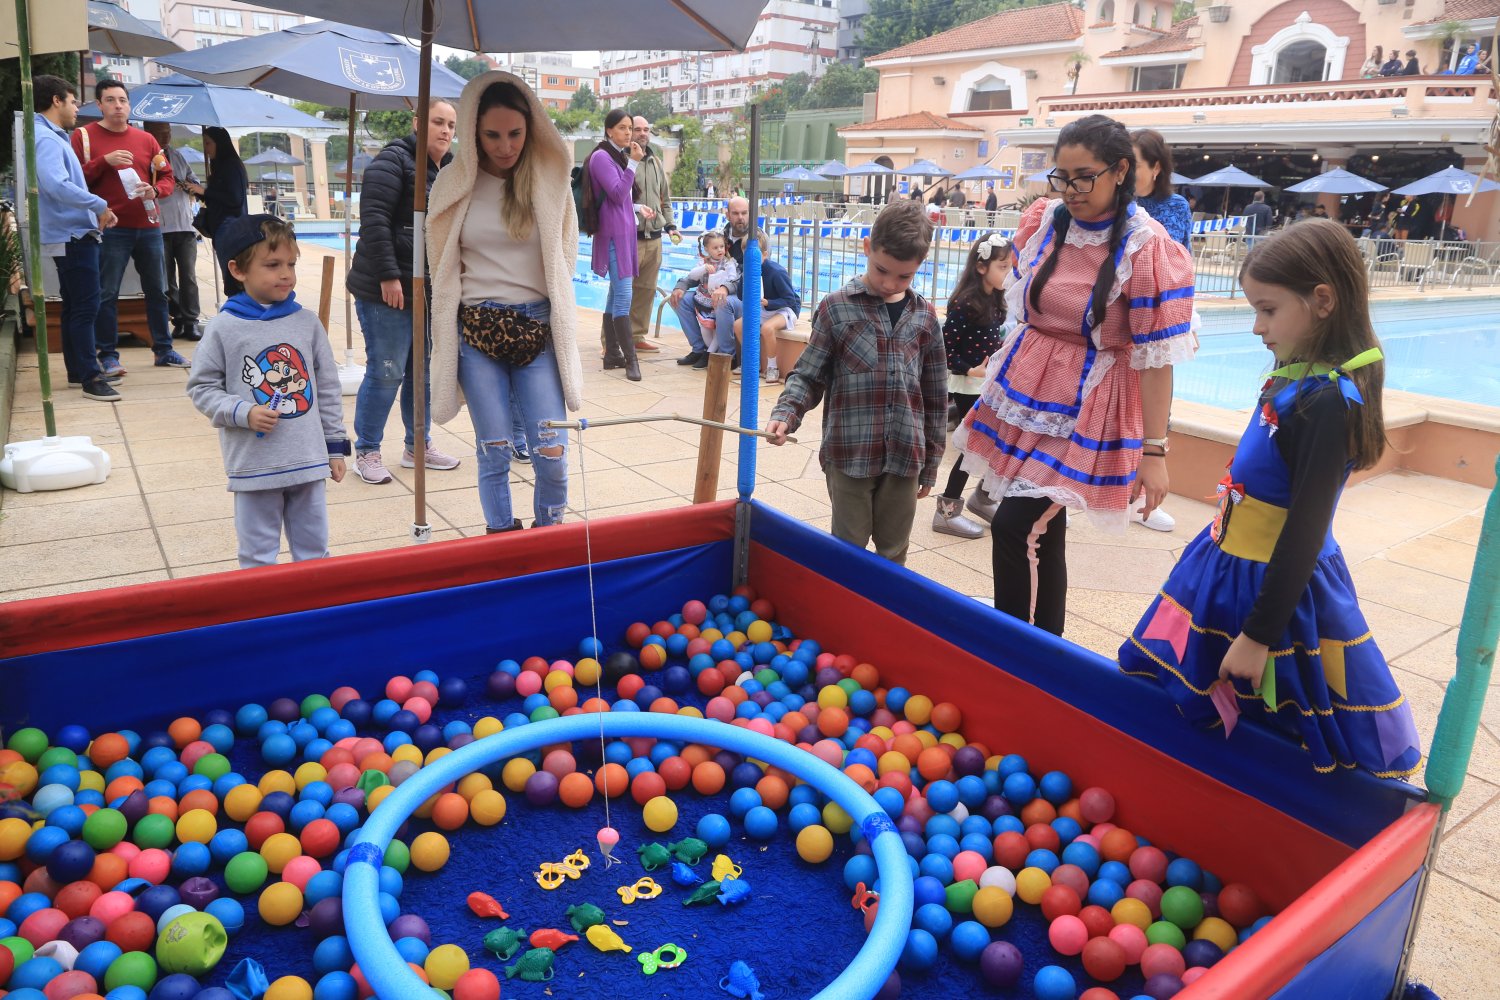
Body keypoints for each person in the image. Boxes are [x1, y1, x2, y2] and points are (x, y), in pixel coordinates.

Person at [1118, 220, 1420, 779]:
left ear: (1322, 301)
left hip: (1275, 590)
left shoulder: (1328, 402)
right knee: (1201, 692)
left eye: (1268, 310)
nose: (1257, 326)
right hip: (1225, 566)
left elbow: (1305, 531)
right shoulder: (1294, 377)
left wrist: (1258, 636)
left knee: (1282, 717)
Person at [952, 114, 1196, 636]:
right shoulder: (1046, 219)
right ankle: (1045, 646)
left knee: (1016, 526)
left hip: (1091, 402)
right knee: (1042, 528)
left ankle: (1019, 650)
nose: (1070, 190)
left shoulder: (1146, 246)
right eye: (1062, 177)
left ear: (1120, 171)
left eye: (1084, 177)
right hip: (1032, 388)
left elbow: (1157, 358)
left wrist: (1154, 452)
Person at [427, 72, 584, 534]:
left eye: (515, 133)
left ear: (530, 129)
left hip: (538, 327)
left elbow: (566, 254)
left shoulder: (549, 182)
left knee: (551, 452)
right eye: (492, 135)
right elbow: (441, 261)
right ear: (474, 132)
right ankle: (500, 538)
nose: (505, 146)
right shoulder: (454, 184)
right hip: (476, 330)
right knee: (493, 450)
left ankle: (548, 537)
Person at [765, 200, 948, 566]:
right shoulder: (836, 308)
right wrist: (786, 413)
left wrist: (931, 462)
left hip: (905, 456)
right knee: (848, 551)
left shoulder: (926, 317)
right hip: (849, 455)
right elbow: (808, 374)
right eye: (882, 270)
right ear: (867, 247)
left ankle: (884, 604)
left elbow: (935, 396)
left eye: (904, 277)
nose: (889, 283)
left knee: (893, 553)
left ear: (920, 265)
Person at [186, 215, 349, 569]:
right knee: (257, 557)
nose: (286, 274)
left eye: (291, 264)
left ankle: (314, 603)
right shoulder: (223, 328)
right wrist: (242, 412)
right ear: (238, 270)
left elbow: (327, 388)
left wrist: (335, 447)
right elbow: (201, 388)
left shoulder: (307, 323)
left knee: (314, 553)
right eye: (273, 265)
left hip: (308, 462)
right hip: (254, 466)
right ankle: (261, 607)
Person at [346, 98, 462, 486]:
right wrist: (388, 275)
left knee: (422, 374)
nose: (445, 131)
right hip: (387, 289)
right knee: (387, 371)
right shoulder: (392, 161)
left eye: (451, 125)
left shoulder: (449, 169)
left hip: (427, 291)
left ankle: (418, 446)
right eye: (437, 122)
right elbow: (374, 220)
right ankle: (367, 450)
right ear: (417, 123)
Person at [73, 79, 191, 375]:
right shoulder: (83, 136)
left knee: (158, 290)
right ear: (99, 105)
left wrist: (156, 190)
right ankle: (108, 354)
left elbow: (166, 176)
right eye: (110, 100)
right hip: (110, 226)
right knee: (107, 293)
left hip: (148, 225)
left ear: (129, 105)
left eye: (122, 100)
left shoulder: (146, 140)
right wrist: (104, 161)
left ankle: (164, 349)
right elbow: (74, 180)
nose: (118, 106)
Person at [33, 74, 120, 402]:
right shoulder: (46, 138)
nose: (75, 109)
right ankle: (90, 377)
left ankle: (77, 371)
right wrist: (98, 204)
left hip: (71, 232)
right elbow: (56, 185)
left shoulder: (50, 136)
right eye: (72, 102)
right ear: (56, 101)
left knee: (75, 306)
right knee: (85, 307)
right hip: (71, 234)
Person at [931, 233, 1008, 540]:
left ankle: (983, 498)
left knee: (995, 442)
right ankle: (947, 513)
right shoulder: (965, 303)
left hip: (986, 384)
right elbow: (945, 349)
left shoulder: (995, 300)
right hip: (967, 386)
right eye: (1002, 266)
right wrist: (970, 369)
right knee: (972, 447)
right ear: (981, 267)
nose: (1007, 273)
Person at [581, 108, 644, 381]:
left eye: (630, 128)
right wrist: (634, 163)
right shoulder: (601, 157)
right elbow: (617, 194)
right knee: (624, 295)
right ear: (609, 130)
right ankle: (631, 361)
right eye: (622, 128)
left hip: (624, 233)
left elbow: (622, 200)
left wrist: (638, 209)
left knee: (614, 293)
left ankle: (612, 355)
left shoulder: (616, 155)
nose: (628, 133)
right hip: (614, 235)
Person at [670, 197, 750, 369]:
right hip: (712, 292)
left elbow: (750, 275)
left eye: (744, 213)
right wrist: (682, 285)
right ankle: (699, 349)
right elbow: (702, 269)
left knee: (722, 301)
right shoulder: (719, 236)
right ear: (727, 215)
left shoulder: (755, 239)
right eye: (736, 213)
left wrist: (726, 288)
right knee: (680, 299)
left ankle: (726, 356)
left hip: (742, 296)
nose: (740, 217)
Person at [143, 122, 203, 342]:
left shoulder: (177, 156)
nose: (166, 137)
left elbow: (194, 180)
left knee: (189, 276)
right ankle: (178, 318)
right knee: (166, 279)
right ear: (150, 134)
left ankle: (191, 321)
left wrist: (189, 184)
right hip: (159, 225)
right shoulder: (145, 156)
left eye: (168, 133)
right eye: (161, 133)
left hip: (184, 225)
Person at [626, 115, 678, 358]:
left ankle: (637, 337)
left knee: (646, 290)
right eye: (638, 129)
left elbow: (664, 199)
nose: (642, 133)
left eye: (646, 129)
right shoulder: (623, 160)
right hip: (630, 236)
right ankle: (611, 340)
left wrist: (671, 226)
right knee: (622, 291)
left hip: (654, 237)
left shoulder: (655, 162)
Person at [730, 232, 802, 383]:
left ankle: (772, 367)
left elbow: (790, 300)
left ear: (764, 255)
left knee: (767, 329)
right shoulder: (746, 271)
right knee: (738, 325)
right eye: (746, 257)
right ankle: (752, 362)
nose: (749, 261)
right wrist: (744, 279)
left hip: (785, 309)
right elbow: (741, 296)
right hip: (763, 308)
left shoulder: (777, 272)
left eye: (754, 257)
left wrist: (769, 303)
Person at [199, 126, 248, 293]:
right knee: (231, 273)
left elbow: (234, 199)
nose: (206, 148)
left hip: (229, 225)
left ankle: (237, 306)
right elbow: (220, 198)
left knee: (232, 275)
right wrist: (200, 193)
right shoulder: (221, 166)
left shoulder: (230, 166)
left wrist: (205, 192)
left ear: (219, 143)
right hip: (223, 224)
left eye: (208, 143)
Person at [1132, 129, 1191, 248]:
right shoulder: (1114, 204)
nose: (1125, 173)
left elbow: (1181, 252)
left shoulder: (1177, 206)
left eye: (1134, 166)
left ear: (1156, 168)